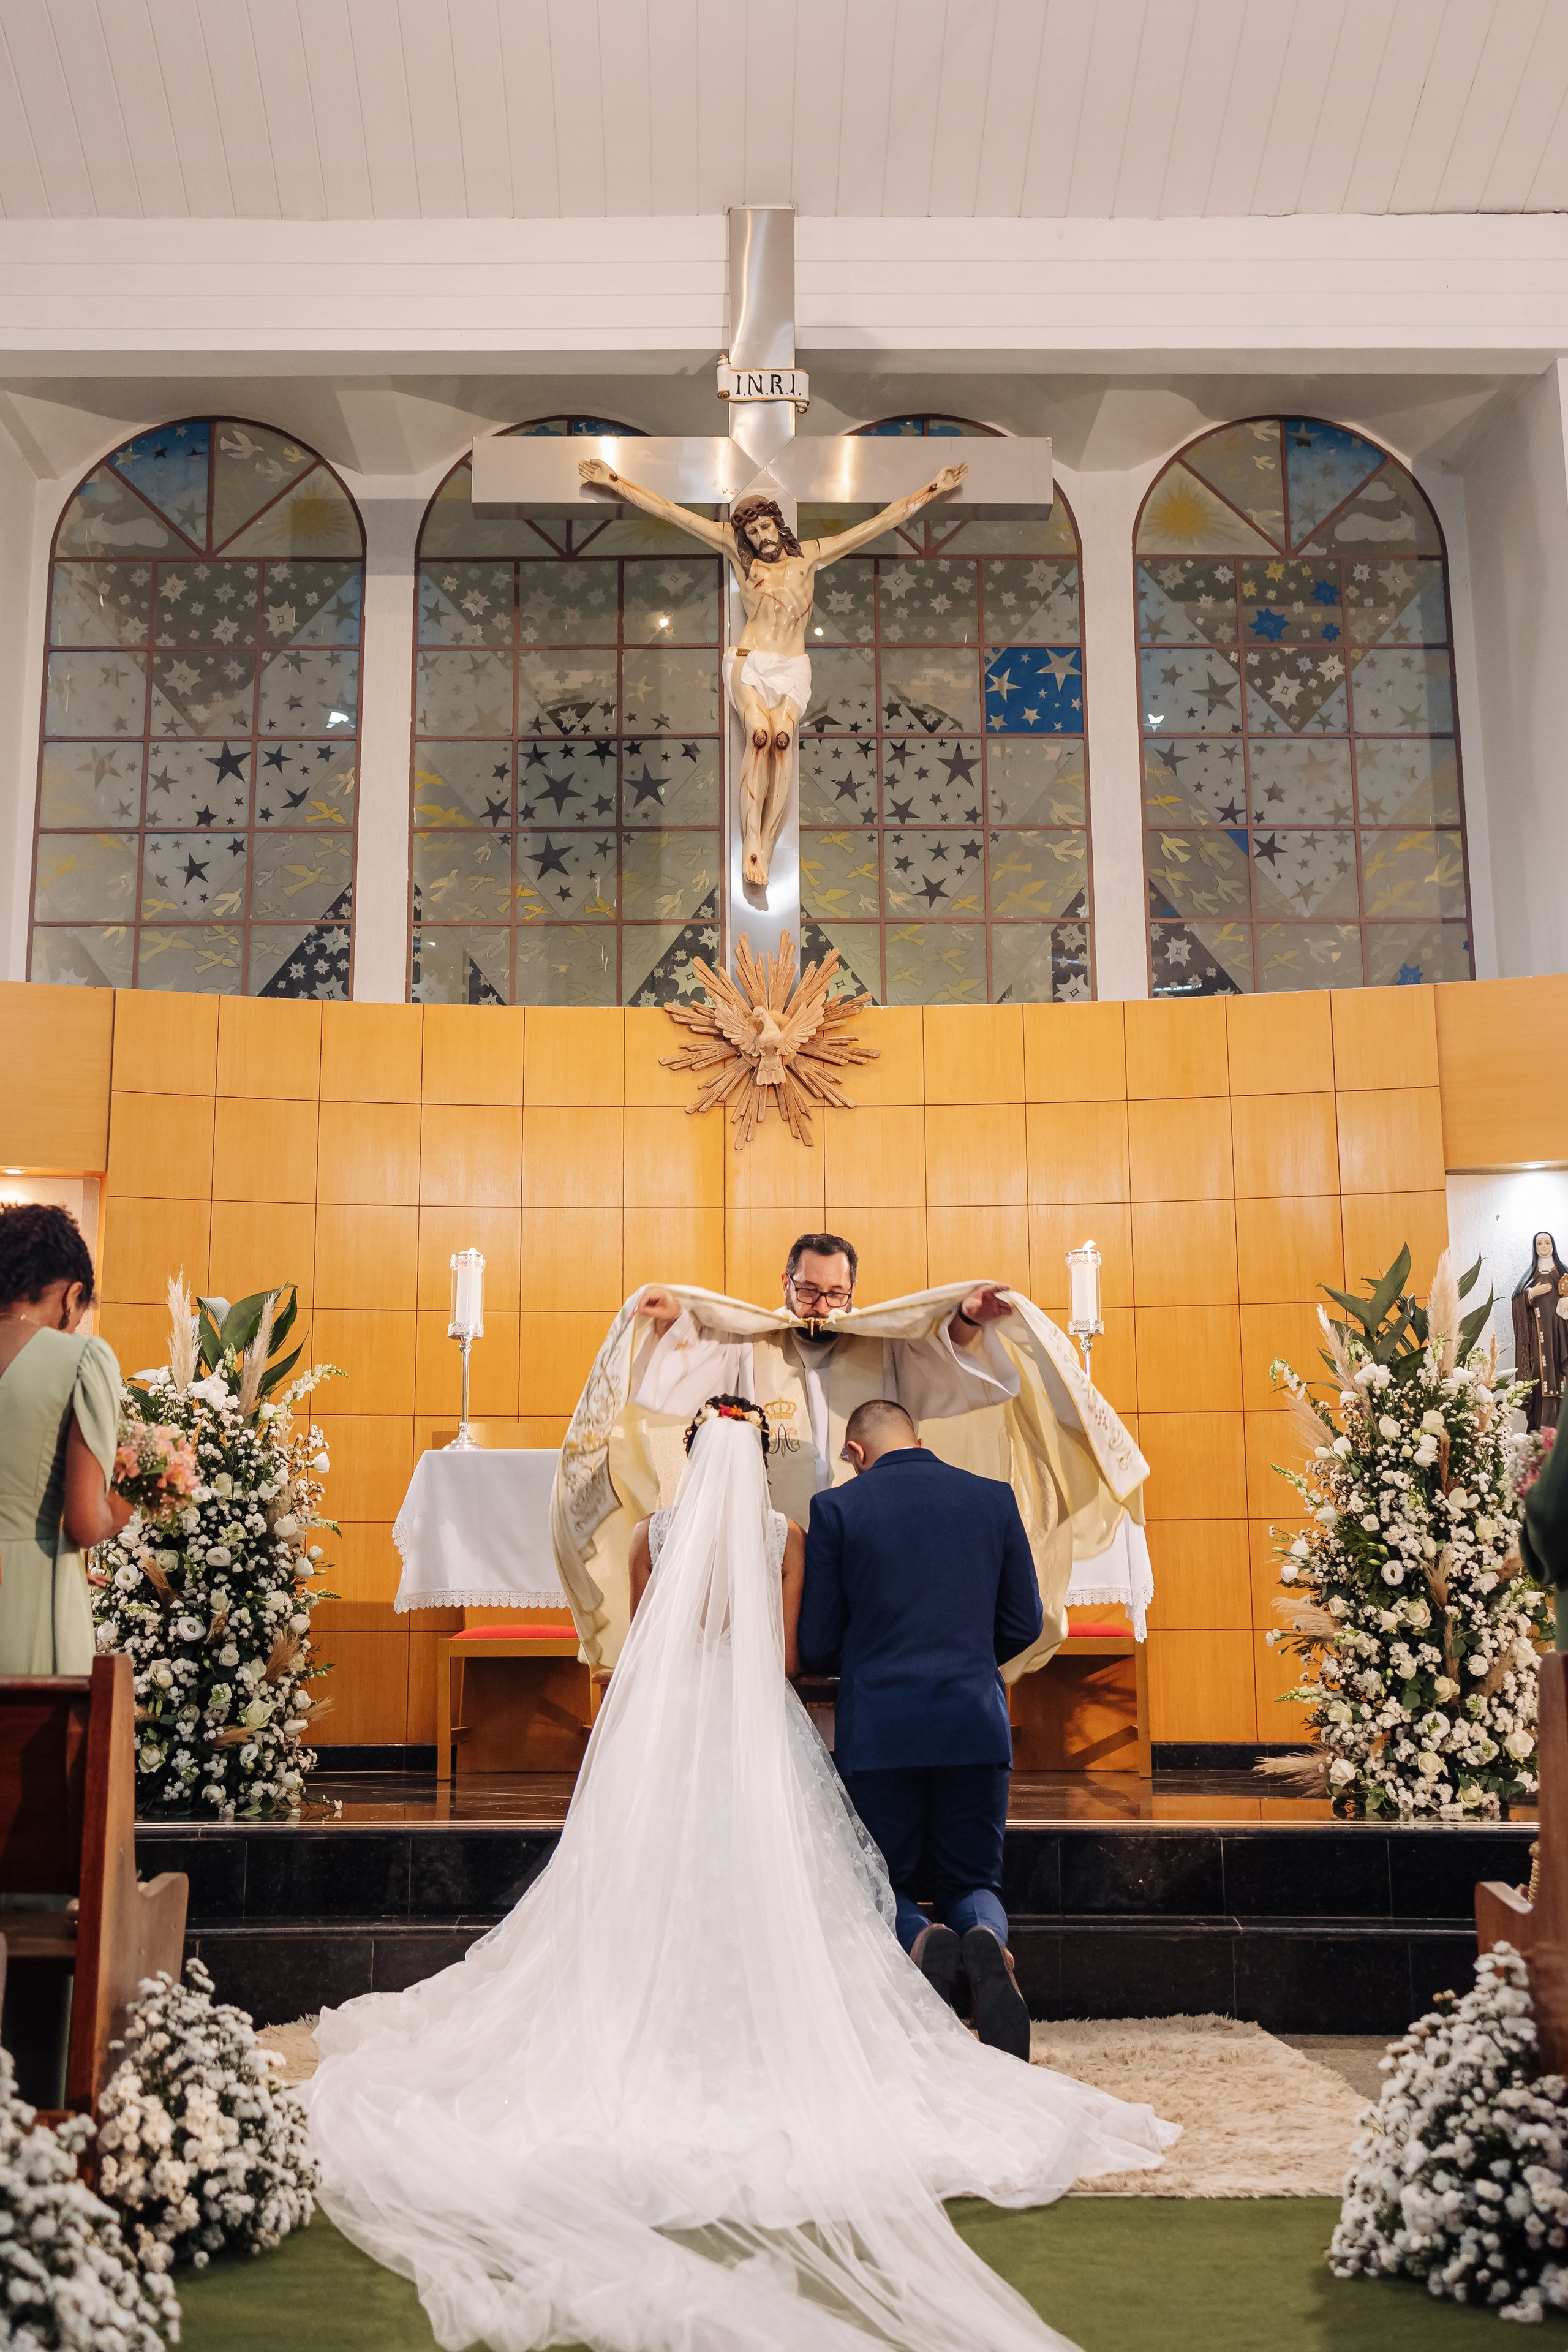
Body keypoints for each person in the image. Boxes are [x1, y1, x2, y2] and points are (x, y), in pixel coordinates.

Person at [305, 1398, 1175, 2352]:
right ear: (764, 1461)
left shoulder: (654, 1533)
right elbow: (794, 1656)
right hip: (847, 1724)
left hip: (674, 1733)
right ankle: (971, 1944)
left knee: (658, 1879)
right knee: (868, 1875)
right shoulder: (796, 1531)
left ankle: (902, 1947)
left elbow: (645, 1648)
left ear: (690, 1453)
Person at [551, 1231, 1152, 1680]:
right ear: (784, 1284)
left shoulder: (882, 1350)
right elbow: (692, 1364)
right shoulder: (749, 1345)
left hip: (861, 1547)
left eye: (836, 1292)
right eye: (809, 1290)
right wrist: (673, 1320)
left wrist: (968, 1321)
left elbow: (944, 1365)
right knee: (780, 1666)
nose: (822, 1305)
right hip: (769, 1548)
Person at [577, 456, 966, 887]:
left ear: (778, 525)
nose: (759, 536)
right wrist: (613, 480)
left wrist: (934, 488)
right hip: (750, 660)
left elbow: (877, 524)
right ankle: (752, 845)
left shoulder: (813, 555)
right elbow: (671, 511)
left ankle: (766, 836)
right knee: (759, 736)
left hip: (793, 665)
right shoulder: (740, 556)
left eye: (764, 527)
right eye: (751, 531)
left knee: (783, 740)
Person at [800, 1397, 1042, 2061]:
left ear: (854, 1452)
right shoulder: (991, 1498)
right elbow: (1025, 1621)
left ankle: (919, 1939)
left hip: (882, 1724)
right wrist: (963, 1656)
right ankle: (986, 1940)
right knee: (972, 1878)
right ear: (919, 1438)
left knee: (890, 1878)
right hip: (972, 1718)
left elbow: (817, 1642)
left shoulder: (837, 1508)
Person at [0, 1204, 129, 1672]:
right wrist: (148, 1486)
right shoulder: (81, 1358)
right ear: (73, 1295)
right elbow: (86, 1524)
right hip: (29, 1600)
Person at [628, 1392, 807, 1673]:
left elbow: (640, 1654)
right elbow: (787, 1665)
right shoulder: (788, 1538)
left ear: (694, 1459)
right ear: (759, 1462)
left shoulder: (649, 1533)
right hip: (751, 1708)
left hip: (674, 1703)